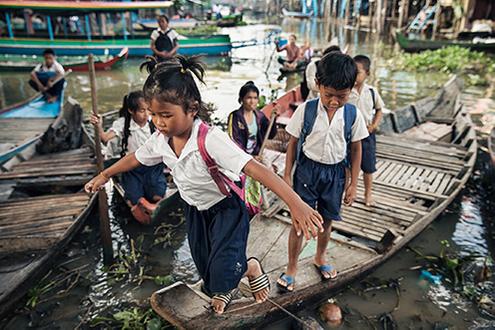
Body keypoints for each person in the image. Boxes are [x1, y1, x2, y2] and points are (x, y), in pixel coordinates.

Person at [84, 55, 323, 314]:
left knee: (223, 267)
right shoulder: (161, 139)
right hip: (195, 209)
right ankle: (228, 281)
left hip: (227, 209)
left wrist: (296, 203)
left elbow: (257, 169)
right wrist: (105, 175)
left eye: (165, 115)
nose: (158, 122)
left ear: (192, 109)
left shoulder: (210, 139)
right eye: (153, 114)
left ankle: (249, 268)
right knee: (205, 265)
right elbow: (135, 158)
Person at [277, 52, 369, 292]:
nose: (334, 102)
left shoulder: (352, 115)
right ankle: (292, 267)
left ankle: (320, 257)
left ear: (352, 89)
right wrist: (287, 175)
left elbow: (357, 148)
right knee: (299, 222)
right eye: (329, 95)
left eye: (342, 96)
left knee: (327, 220)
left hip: (335, 174)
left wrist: (353, 183)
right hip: (307, 171)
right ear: (318, 85)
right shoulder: (306, 110)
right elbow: (293, 143)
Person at [90, 91, 167, 225]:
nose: (146, 114)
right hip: (131, 167)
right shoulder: (122, 124)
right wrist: (98, 126)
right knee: (134, 199)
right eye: (142, 111)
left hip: (153, 166)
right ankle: (139, 204)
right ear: (131, 110)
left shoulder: (153, 122)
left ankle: (153, 205)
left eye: (148, 110)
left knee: (157, 195)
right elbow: (104, 138)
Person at [348, 55, 384, 207]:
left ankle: (368, 193)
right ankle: (348, 191)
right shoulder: (347, 91)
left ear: (367, 73)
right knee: (348, 165)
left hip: (367, 134)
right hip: (350, 134)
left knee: (368, 166)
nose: (354, 75)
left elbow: (379, 109)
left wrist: (374, 125)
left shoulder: (372, 92)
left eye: (358, 72)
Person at [227, 81, 277, 156]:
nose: (252, 101)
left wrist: (273, 120)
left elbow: (270, 135)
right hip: (241, 157)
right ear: (242, 99)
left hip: (257, 154)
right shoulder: (235, 116)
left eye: (255, 98)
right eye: (249, 98)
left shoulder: (260, 116)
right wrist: (249, 158)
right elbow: (234, 141)